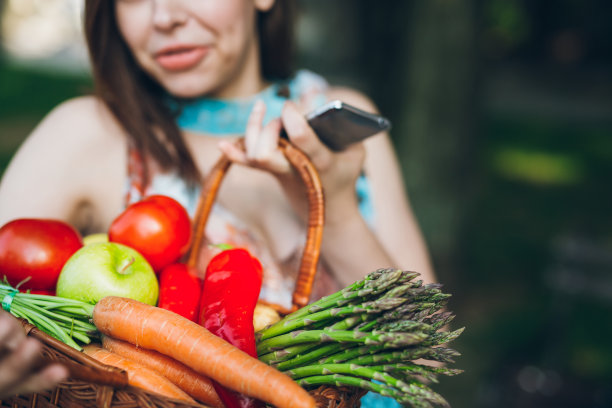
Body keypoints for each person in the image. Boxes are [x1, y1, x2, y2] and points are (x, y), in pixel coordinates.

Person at [0, 0, 435, 403]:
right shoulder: (88, 133)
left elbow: (428, 360)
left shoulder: (343, 122)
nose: (164, 16)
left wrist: (336, 208)